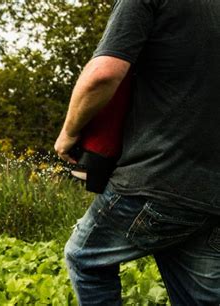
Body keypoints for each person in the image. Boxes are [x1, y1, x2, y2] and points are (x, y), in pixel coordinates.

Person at [54, 0, 220, 305]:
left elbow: (103, 75)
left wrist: (68, 134)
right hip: (211, 193)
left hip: (157, 177)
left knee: (85, 259)